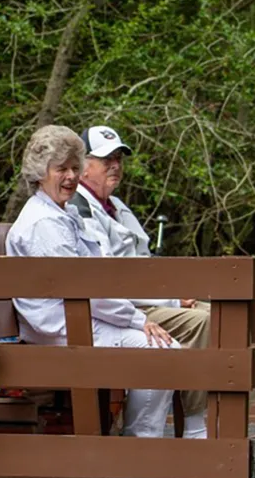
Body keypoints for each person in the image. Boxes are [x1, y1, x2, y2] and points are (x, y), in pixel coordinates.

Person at [5, 124, 182, 439]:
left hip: (79, 317)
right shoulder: (44, 222)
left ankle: (138, 440)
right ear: (40, 173)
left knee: (165, 349)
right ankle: (139, 442)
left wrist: (137, 316)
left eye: (75, 167)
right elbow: (83, 288)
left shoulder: (64, 212)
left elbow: (96, 275)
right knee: (162, 353)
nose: (71, 176)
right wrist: (139, 320)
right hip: (60, 326)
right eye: (61, 169)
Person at [69, 124, 210, 439]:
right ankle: (194, 427)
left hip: (141, 300)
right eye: (106, 159)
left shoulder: (117, 207)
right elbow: (111, 277)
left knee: (220, 311)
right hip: (118, 308)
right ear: (82, 164)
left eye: (119, 157)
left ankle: (199, 418)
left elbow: (145, 265)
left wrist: (175, 294)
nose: (115, 165)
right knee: (204, 321)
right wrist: (173, 301)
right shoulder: (79, 208)